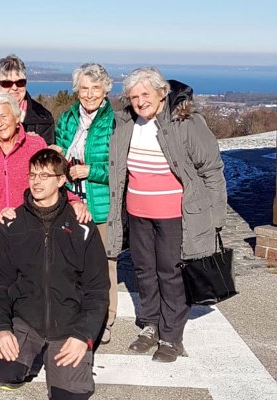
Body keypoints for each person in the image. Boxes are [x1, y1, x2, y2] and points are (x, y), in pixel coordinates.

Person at [107, 67, 227, 362]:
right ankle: (150, 325)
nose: (140, 101)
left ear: (162, 93)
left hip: (174, 215)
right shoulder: (126, 122)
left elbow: (211, 170)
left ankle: (171, 337)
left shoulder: (185, 121)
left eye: (145, 94)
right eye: (134, 96)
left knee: (171, 274)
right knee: (144, 272)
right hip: (138, 213)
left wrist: (215, 217)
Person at [0, 92, 90, 363]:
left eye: (4, 116)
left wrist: (73, 201)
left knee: (28, 288)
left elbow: (53, 177)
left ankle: (29, 341)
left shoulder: (35, 143)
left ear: (17, 117)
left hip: (32, 233)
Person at [0, 148, 109, 399]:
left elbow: (97, 291)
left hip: (69, 325)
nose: (36, 182)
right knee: (5, 368)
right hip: (27, 320)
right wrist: (0, 328)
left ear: (61, 180)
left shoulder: (82, 225)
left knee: (70, 395)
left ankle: (59, 355)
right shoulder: (12, 223)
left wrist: (83, 336)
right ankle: (29, 352)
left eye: (44, 176)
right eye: (32, 175)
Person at [54, 63, 117, 344]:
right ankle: (76, 316)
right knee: (72, 264)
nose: (89, 94)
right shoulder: (68, 118)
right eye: (84, 88)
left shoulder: (114, 121)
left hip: (101, 204)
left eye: (95, 88)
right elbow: (59, 152)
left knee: (103, 264)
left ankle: (105, 319)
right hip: (71, 201)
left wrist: (91, 171)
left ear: (105, 89)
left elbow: (119, 167)